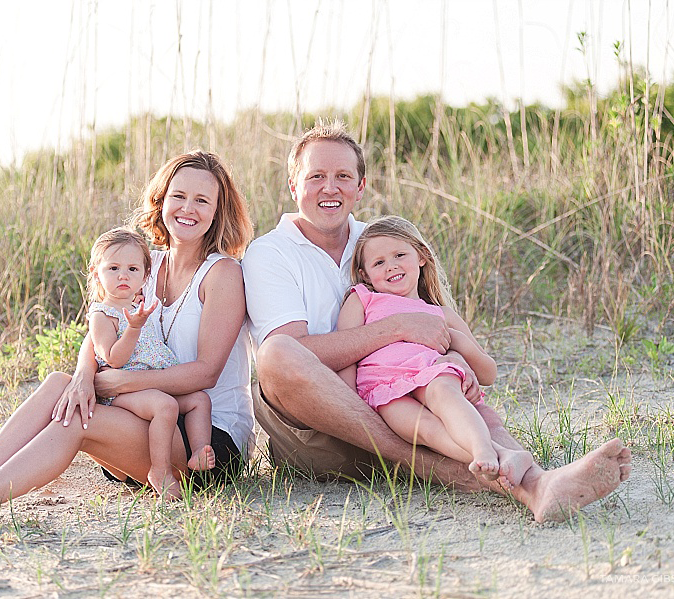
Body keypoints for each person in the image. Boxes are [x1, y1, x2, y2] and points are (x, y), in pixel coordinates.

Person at [242, 119, 631, 522]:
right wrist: (396, 328)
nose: (330, 188)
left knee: (447, 390)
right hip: (321, 433)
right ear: (293, 185)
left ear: (360, 187)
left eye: (343, 176)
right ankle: (430, 467)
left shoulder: (379, 242)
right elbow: (295, 359)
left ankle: (540, 486)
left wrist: (455, 356)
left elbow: (432, 324)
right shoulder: (270, 253)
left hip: (407, 401)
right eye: (316, 176)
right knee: (276, 354)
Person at [0, 150, 255, 528]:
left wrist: (121, 381)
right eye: (178, 196)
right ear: (162, 200)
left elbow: (206, 374)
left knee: (78, 421)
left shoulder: (223, 275)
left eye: (203, 200)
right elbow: (101, 326)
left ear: (218, 211)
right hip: (147, 417)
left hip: (208, 441)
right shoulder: (142, 265)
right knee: (60, 385)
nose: (188, 208)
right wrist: (85, 375)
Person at [338, 215, 532, 485]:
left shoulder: (441, 314)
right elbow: (348, 351)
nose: (391, 266)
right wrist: (351, 403)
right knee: (426, 431)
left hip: (431, 376)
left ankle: (484, 450)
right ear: (364, 274)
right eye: (379, 262)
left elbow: (488, 373)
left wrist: (456, 343)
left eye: (399, 255)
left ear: (421, 256)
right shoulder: (362, 299)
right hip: (384, 391)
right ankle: (501, 456)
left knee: (444, 393)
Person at [84, 227, 215, 498]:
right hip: (122, 392)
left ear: (145, 276)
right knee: (165, 406)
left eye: (133, 269)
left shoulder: (137, 306)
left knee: (199, 400)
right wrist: (133, 328)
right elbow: (113, 358)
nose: (123, 275)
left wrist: (136, 316)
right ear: (97, 273)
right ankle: (160, 470)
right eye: (113, 268)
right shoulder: (101, 315)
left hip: (150, 382)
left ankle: (200, 452)